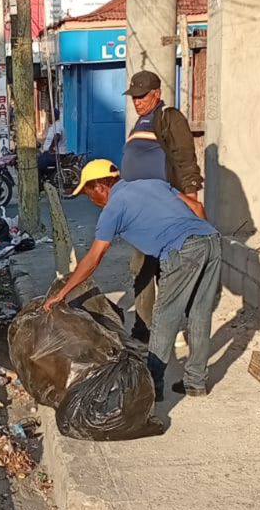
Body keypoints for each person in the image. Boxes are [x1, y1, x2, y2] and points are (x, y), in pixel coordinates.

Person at [45, 159, 220, 401]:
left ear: (100, 186)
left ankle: (151, 387)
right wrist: (199, 239)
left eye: (89, 194)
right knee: (199, 313)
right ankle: (195, 383)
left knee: (164, 319)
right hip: (210, 239)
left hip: (180, 250)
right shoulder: (153, 184)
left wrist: (62, 293)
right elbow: (197, 207)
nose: (92, 201)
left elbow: (94, 258)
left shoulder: (113, 209)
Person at [121, 70, 203, 344]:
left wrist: (192, 203)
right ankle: (144, 329)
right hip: (140, 213)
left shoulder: (169, 118)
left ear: (156, 94)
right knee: (141, 268)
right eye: (134, 97)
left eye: (142, 96)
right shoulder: (139, 123)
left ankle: (176, 327)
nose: (137, 102)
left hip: (166, 210)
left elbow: (186, 161)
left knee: (170, 270)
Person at [38, 111, 65, 184]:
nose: (48, 118)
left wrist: (51, 148)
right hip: (52, 153)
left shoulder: (57, 125)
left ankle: (41, 183)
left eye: (49, 116)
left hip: (56, 154)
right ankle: (47, 177)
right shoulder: (55, 125)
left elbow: (57, 136)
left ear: (53, 116)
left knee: (38, 164)